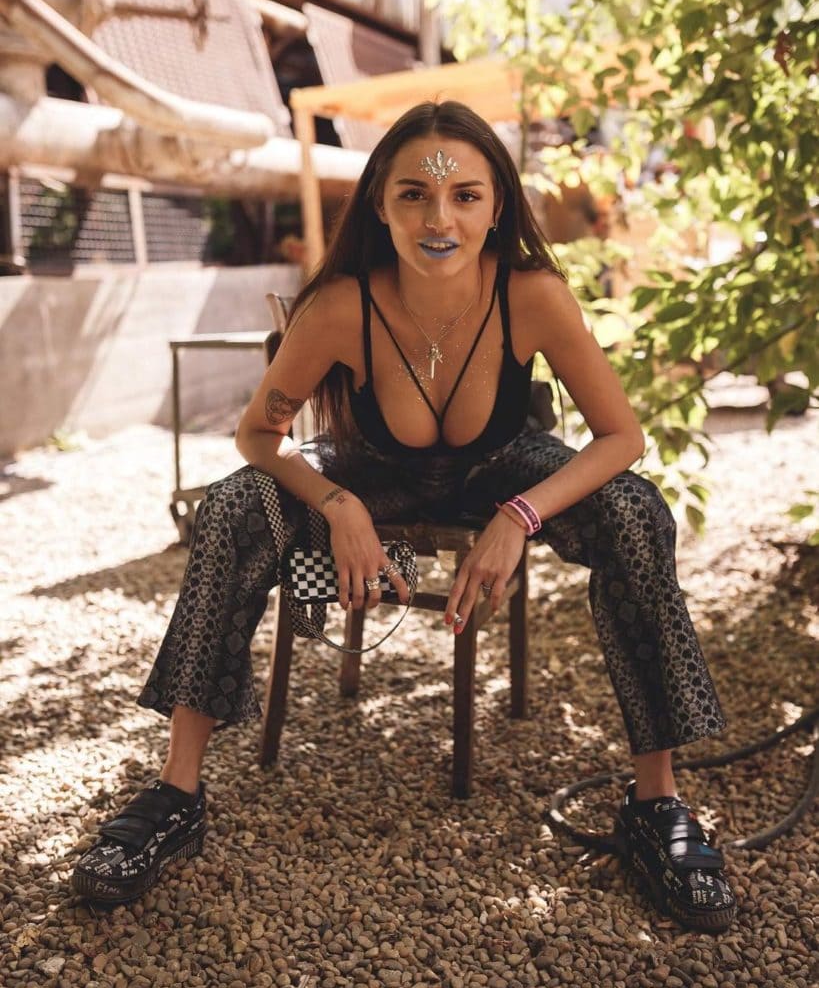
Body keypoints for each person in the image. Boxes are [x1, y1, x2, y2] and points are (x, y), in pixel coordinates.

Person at [71, 101, 736, 933]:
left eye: (464, 195)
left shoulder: (532, 296)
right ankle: (174, 798)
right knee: (232, 507)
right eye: (413, 195)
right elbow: (257, 436)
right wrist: (336, 503)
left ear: (496, 207)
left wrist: (520, 515)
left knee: (635, 513)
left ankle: (655, 806)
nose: (438, 219)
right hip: (370, 471)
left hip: (504, 469)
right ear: (380, 207)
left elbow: (621, 438)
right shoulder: (340, 307)